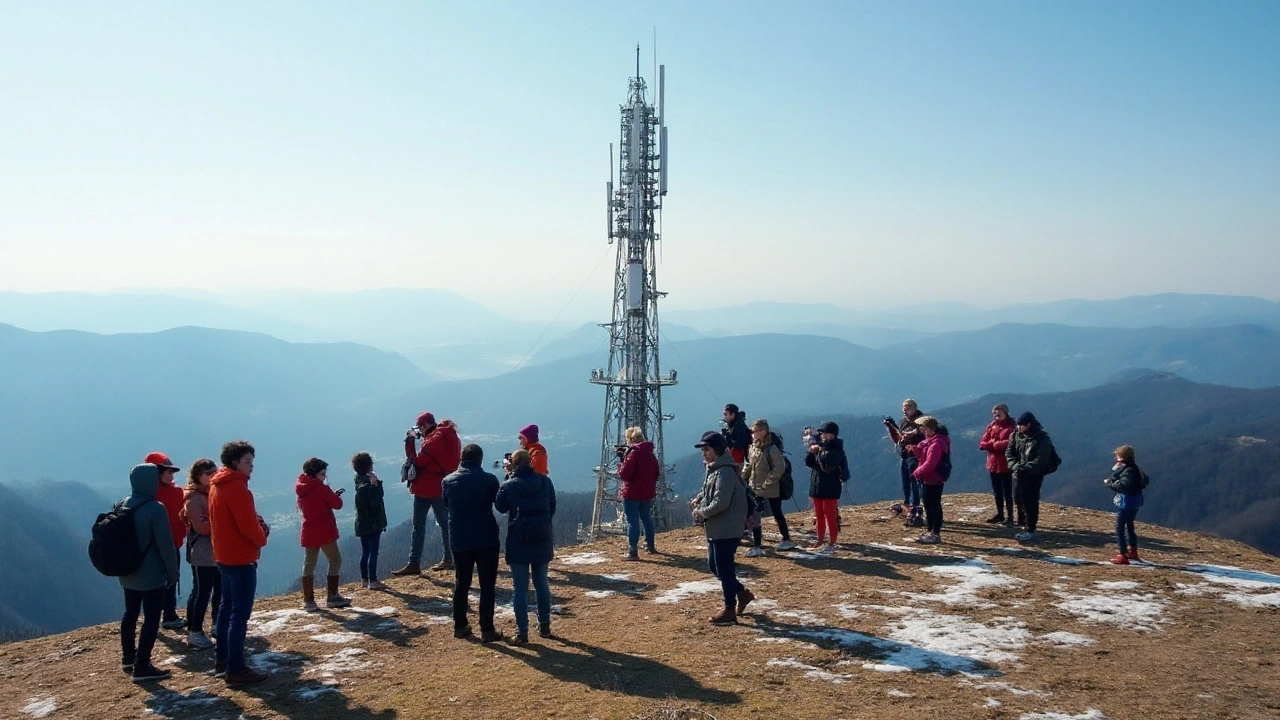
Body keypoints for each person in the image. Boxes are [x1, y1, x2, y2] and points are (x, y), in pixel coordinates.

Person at [209, 440, 270, 686]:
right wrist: (262, 537)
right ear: (235, 462)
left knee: (225, 610)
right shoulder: (237, 489)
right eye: (247, 462)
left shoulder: (216, 485)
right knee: (239, 616)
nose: (251, 466)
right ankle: (235, 669)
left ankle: (222, 659)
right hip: (241, 557)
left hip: (223, 555)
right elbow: (247, 526)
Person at [118, 462, 181, 683]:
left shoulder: (123, 504)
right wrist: (173, 573)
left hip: (127, 572)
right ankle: (142, 665)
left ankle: (128, 657)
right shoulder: (156, 508)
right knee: (152, 618)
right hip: (152, 575)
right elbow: (166, 544)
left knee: (130, 614)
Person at [691, 431, 753, 625]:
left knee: (724, 569)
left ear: (717, 450)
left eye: (707, 449)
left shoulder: (724, 471)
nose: (704, 453)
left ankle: (729, 610)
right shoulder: (715, 468)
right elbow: (711, 490)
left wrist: (702, 512)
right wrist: (700, 498)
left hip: (727, 527)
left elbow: (721, 502)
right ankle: (742, 594)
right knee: (715, 566)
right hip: (718, 526)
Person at [442, 443, 503, 643]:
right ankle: (487, 629)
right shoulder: (489, 480)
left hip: (460, 539)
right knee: (487, 585)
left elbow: (446, 504)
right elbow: (500, 505)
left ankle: (460, 625)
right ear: (480, 459)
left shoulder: (448, 481)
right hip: (486, 537)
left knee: (462, 583)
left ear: (462, 458)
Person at [494, 449, 556, 644]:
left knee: (520, 588)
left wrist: (507, 478)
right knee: (541, 583)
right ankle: (544, 625)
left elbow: (500, 506)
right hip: (541, 536)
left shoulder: (509, 485)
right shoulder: (545, 482)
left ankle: (522, 632)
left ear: (514, 463)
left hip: (519, 538)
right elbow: (551, 507)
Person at [394, 412, 462, 576]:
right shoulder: (447, 435)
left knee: (419, 526)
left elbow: (418, 461)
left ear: (424, 425)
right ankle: (449, 557)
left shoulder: (435, 439)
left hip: (426, 488)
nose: (419, 432)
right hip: (442, 485)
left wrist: (410, 442)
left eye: (419, 428)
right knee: (446, 525)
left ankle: (414, 562)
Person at [296, 457, 351, 611]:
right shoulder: (321, 488)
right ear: (314, 474)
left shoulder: (302, 487)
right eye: (322, 474)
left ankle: (308, 600)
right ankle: (332, 597)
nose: (324, 476)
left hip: (309, 530)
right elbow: (337, 504)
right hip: (325, 531)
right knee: (335, 559)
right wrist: (332, 494)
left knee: (309, 565)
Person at [144, 451, 187, 631]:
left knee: (153, 583)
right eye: (169, 472)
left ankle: (153, 616)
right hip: (171, 545)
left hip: (150, 547)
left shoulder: (146, 494)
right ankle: (169, 615)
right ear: (158, 472)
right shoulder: (176, 493)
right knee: (171, 578)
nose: (172, 475)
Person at [180, 458, 220, 650]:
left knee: (219, 588)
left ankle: (216, 624)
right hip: (202, 553)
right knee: (202, 592)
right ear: (198, 476)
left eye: (214, 472)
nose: (212, 476)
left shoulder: (210, 493)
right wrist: (222, 522)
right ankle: (195, 631)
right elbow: (202, 527)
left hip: (217, 551)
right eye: (208, 473)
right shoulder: (194, 498)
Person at [741, 419, 795, 555]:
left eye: (754, 431)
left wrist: (767, 483)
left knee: (777, 513)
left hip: (770, 488)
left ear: (763, 432)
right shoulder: (753, 447)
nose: (752, 434)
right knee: (756, 515)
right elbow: (749, 465)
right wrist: (743, 478)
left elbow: (779, 468)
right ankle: (757, 545)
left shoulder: (772, 449)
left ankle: (786, 539)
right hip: (755, 487)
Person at [1005, 412, 1056, 542]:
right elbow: (1009, 453)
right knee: (1017, 498)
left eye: (1021, 425)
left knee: (1030, 501)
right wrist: (1015, 466)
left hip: (1033, 475)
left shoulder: (1042, 438)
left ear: (1029, 424)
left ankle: (1030, 528)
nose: (1018, 427)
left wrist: (1026, 468)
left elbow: (1041, 459)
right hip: (1018, 472)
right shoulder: (1016, 435)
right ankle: (1023, 523)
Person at [804, 421, 846, 556]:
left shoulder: (837, 448)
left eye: (824, 433)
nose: (822, 435)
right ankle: (820, 539)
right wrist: (811, 452)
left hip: (830, 487)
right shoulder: (820, 447)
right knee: (819, 515)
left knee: (830, 515)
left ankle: (832, 542)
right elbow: (809, 463)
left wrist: (819, 451)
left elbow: (830, 463)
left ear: (832, 435)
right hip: (816, 485)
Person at [618, 426, 659, 560]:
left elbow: (625, 475)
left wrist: (622, 462)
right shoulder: (650, 454)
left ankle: (633, 551)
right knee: (646, 517)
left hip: (632, 493)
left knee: (633, 521)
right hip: (647, 493)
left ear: (631, 439)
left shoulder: (634, 454)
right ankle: (650, 545)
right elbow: (656, 473)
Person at [909, 416, 951, 544]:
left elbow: (931, 463)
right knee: (927, 503)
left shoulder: (936, 444)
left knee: (934, 504)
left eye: (924, 428)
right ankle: (930, 530)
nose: (922, 431)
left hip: (934, 478)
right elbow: (924, 457)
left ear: (931, 428)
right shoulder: (930, 441)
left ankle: (935, 532)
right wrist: (915, 450)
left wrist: (917, 472)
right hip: (928, 478)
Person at [884, 400, 926, 526]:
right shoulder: (903, 422)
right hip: (904, 455)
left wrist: (911, 436)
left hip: (915, 456)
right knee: (906, 482)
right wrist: (891, 427)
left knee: (915, 483)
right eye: (903, 408)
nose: (905, 410)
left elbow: (923, 435)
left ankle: (916, 506)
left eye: (908, 408)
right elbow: (898, 438)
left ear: (914, 408)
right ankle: (907, 504)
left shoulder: (921, 421)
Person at [1104, 445, 1147, 565]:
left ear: (1121, 457)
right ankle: (1132, 550)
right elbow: (1146, 480)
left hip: (1127, 502)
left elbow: (1123, 485)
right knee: (1130, 525)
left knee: (1120, 526)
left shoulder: (1128, 471)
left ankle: (1122, 554)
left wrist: (1110, 483)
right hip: (1136, 501)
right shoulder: (1136, 468)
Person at [352, 452, 388, 590]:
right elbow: (375, 502)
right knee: (373, 551)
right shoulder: (367, 485)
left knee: (365, 551)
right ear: (369, 466)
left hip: (362, 524)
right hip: (373, 523)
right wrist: (376, 484)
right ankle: (373, 580)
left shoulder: (358, 481)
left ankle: (364, 579)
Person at [977, 404, 1017, 525]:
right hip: (992, 463)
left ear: (1005, 413)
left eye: (998, 414)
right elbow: (982, 444)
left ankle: (1010, 516)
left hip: (1005, 464)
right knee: (997, 490)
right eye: (994, 414)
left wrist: (994, 444)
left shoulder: (1011, 427)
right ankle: (1000, 514)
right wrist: (993, 444)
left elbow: (1010, 443)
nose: (996, 416)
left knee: (1007, 491)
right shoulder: (991, 426)